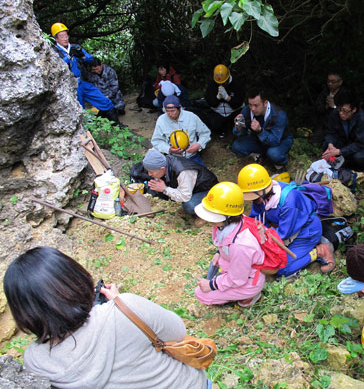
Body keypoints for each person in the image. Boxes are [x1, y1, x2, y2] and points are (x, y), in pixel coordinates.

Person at [3, 246, 209, 389]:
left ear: (23, 312)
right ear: (76, 279)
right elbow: (177, 331)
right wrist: (119, 302)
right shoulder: (125, 310)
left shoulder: (35, 360)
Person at [237, 164, 335, 276]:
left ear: (264, 191)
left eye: (253, 197)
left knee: (280, 268)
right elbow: (256, 219)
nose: (251, 200)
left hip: (307, 231)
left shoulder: (289, 202)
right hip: (284, 226)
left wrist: (260, 242)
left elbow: (282, 235)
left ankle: (319, 251)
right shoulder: (261, 197)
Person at [194, 182, 265, 307]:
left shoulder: (241, 244)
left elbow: (238, 278)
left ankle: (250, 296)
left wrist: (211, 285)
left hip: (247, 281)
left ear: (227, 216)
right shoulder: (227, 223)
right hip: (237, 269)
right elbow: (223, 244)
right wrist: (218, 253)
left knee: (201, 293)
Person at [50, 23, 120, 124]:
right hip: (70, 86)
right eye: (62, 36)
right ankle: (86, 133)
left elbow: (91, 60)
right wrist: (69, 57)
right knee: (80, 110)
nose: (65, 38)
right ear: (56, 39)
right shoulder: (54, 52)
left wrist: (82, 56)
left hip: (82, 82)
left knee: (105, 101)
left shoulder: (75, 47)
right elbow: (56, 66)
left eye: (66, 35)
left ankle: (117, 125)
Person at [142, 148, 218, 224]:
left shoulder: (183, 171)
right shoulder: (167, 163)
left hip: (209, 190)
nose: (149, 174)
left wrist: (164, 189)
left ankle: (205, 213)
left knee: (189, 205)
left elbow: (185, 196)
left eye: (151, 172)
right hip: (194, 189)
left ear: (162, 169)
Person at [232, 88, 292, 172]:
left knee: (273, 154)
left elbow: (275, 141)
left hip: (280, 140)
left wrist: (260, 130)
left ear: (265, 103)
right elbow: (241, 134)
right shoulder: (247, 110)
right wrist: (239, 128)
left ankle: (280, 163)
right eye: (250, 104)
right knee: (237, 146)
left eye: (256, 105)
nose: (252, 108)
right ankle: (260, 156)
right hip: (258, 138)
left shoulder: (279, 115)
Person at [322, 92, 364, 171]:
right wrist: (330, 145)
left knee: (359, 158)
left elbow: (359, 143)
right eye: (339, 109)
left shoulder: (362, 119)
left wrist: (338, 151)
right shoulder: (336, 113)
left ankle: (353, 165)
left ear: (354, 110)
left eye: (345, 111)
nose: (341, 113)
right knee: (326, 145)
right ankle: (337, 162)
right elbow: (331, 132)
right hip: (346, 139)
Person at [151, 95, 211, 166]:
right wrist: (168, 149)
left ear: (179, 107)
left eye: (172, 111)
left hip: (192, 156)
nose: (170, 114)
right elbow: (156, 141)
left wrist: (199, 144)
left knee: (204, 175)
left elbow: (205, 133)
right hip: (173, 158)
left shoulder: (191, 117)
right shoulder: (161, 120)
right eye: (167, 111)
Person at [204, 64, 245, 138]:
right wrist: (218, 98)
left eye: (223, 82)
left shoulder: (236, 84)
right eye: (219, 83)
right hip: (219, 113)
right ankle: (222, 131)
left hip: (234, 111)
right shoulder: (212, 85)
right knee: (212, 124)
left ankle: (239, 134)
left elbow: (239, 103)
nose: (221, 84)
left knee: (241, 122)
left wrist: (227, 98)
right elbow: (210, 102)